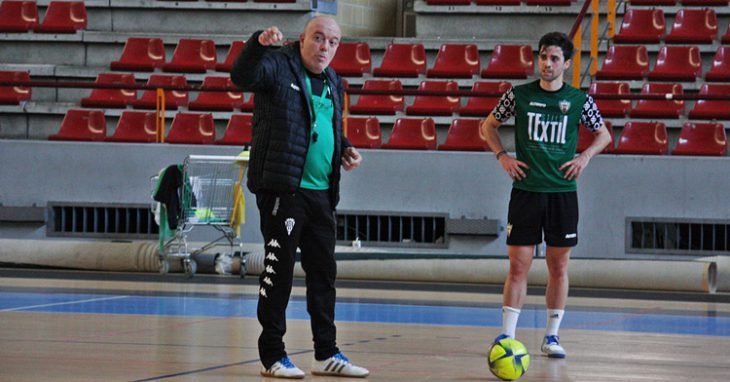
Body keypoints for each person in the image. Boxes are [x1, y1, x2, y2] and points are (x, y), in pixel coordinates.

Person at [230, 17, 369, 379]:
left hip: (322, 194)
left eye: (333, 42)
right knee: (280, 274)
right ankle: (273, 355)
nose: (325, 47)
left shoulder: (334, 81)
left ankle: (325, 353)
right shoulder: (277, 65)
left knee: (324, 275)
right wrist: (258, 43)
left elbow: (327, 127)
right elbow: (241, 76)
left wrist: (345, 149)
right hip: (283, 190)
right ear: (302, 39)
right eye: (318, 38)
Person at [480, 31, 612, 359]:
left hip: (562, 193)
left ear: (566, 63)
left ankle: (551, 336)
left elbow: (604, 135)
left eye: (554, 58)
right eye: (543, 56)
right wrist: (503, 157)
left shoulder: (579, 100)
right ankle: (506, 336)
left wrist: (584, 157)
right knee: (519, 265)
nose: (547, 63)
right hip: (526, 191)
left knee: (559, 266)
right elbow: (488, 126)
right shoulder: (518, 95)